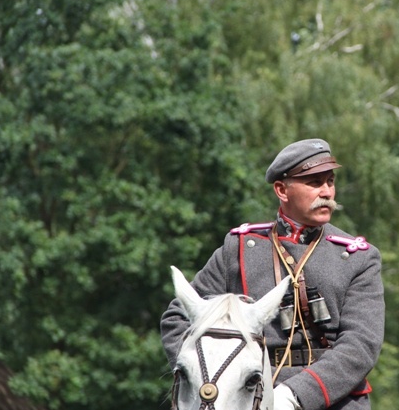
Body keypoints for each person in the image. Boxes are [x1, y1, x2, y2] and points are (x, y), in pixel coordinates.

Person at [160, 138, 385, 410]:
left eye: (330, 181)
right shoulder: (240, 249)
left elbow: (360, 346)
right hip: (244, 397)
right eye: (314, 183)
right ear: (281, 189)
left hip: (335, 400)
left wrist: (294, 395)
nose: (327, 192)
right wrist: (199, 374)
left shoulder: (358, 257)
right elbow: (178, 319)